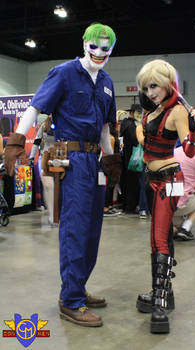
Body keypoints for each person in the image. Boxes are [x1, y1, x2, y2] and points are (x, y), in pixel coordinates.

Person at [4, 23, 118, 328]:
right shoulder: (64, 73)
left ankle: (77, 287)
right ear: (84, 43)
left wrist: (111, 160)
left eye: (106, 47)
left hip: (94, 161)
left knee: (93, 229)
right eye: (94, 45)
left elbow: (106, 128)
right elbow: (36, 107)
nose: (99, 52)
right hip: (72, 159)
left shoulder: (107, 82)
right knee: (75, 228)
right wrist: (16, 140)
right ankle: (70, 300)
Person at [135, 59, 195, 334]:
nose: (150, 92)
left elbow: (188, 151)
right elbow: (143, 137)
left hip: (170, 180)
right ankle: (164, 292)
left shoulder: (176, 112)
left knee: (161, 237)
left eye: (155, 86)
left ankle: (160, 305)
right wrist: (141, 128)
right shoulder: (154, 110)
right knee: (155, 236)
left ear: (167, 84)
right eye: (146, 87)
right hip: (153, 181)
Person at [173, 131, 195, 240]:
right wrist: (192, 183)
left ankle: (172, 228)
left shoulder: (173, 152)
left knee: (174, 229)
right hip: (183, 201)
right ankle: (185, 228)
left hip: (166, 201)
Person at [29, 115, 57, 227]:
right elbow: (37, 141)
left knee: (61, 187)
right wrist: (31, 157)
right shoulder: (44, 126)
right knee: (48, 186)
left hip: (62, 156)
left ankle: (59, 213)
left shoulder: (66, 122)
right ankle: (52, 215)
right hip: (46, 156)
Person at [120, 104, 142, 214]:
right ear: (133, 113)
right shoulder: (132, 125)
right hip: (133, 159)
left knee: (127, 182)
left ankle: (127, 205)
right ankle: (130, 206)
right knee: (132, 183)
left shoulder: (125, 124)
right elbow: (136, 140)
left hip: (127, 158)